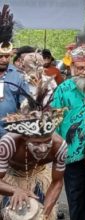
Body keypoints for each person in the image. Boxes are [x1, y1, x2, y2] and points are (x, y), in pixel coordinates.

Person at [0, 62, 67, 219]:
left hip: (39, 175)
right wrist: (15, 190)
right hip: (11, 176)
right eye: (36, 143)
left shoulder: (59, 145)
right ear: (25, 138)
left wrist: (44, 214)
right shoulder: (9, 143)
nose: (43, 149)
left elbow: (57, 182)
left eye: (46, 141)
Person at [51, 45, 85, 220]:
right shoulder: (62, 90)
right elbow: (55, 121)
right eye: (80, 68)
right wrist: (56, 148)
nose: (84, 72)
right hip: (71, 151)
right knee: (75, 193)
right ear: (72, 68)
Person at [0, 4, 29, 138]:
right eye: (0, 56)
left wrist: (21, 116)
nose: (4, 60)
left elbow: (25, 104)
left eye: (7, 56)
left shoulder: (19, 76)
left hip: (9, 133)